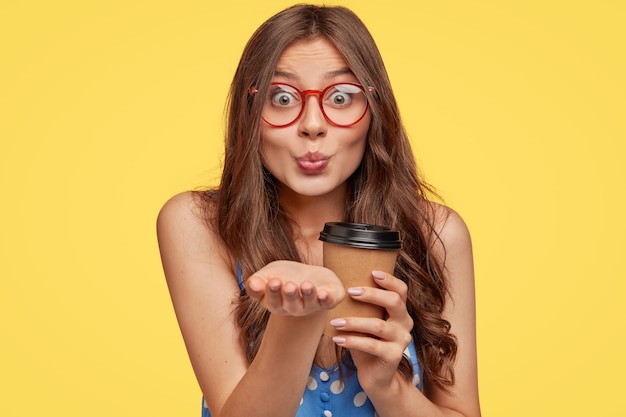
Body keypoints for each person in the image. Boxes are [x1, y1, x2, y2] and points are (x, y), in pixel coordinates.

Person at [157, 4, 480, 417]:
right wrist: (298, 316)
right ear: (249, 112)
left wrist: (386, 385)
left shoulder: (438, 233)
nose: (312, 124)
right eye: (282, 97)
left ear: (375, 112)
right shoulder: (197, 225)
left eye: (341, 97)